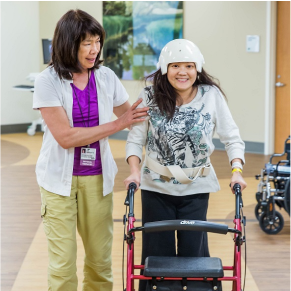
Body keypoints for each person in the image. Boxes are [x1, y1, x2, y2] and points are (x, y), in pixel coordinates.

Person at [33, 9, 148, 291]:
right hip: (58, 183)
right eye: (87, 43)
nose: (94, 49)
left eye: (97, 41)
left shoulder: (106, 77)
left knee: (99, 263)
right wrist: (118, 124)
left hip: (97, 180)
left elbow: (134, 118)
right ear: (68, 43)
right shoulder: (47, 80)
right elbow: (65, 136)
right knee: (63, 265)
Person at [123, 39, 247, 291]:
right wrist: (135, 172)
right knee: (157, 257)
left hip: (197, 187)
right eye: (175, 65)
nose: (182, 72)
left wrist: (236, 172)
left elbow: (232, 137)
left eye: (189, 66)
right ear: (165, 68)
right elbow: (135, 140)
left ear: (198, 68)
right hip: (155, 187)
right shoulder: (148, 96)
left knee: (194, 257)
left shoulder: (211, 96)